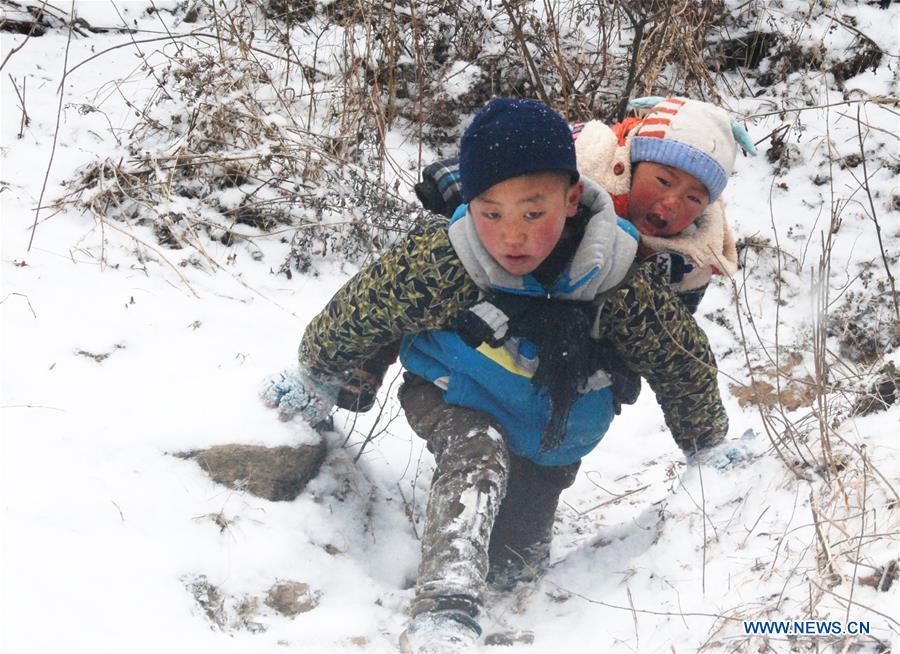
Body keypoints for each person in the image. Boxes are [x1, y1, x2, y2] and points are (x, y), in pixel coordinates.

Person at [262, 98, 739, 653]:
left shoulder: (614, 274)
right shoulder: (447, 259)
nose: (512, 237)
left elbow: (678, 356)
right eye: (492, 213)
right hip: (453, 389)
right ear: (471, 204)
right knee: (477, 453)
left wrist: (706, 443)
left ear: (571, 198)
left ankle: (504, 576)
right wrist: (316, 376)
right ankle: (445, 606)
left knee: (516, 566)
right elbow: (363, 309)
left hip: (552, 433)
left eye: (533, 215)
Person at [338, 96, 756, 414]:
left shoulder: (689, 261)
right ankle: (367, 359)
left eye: (693, 198)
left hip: (572, 321)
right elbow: (512, 158)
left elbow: (672, 338)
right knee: (426, 269)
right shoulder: (588, 159)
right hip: (508, 260)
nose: (671, 204)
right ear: (631, 162)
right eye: (663, 181)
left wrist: (621, 364)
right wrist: (456, 185)